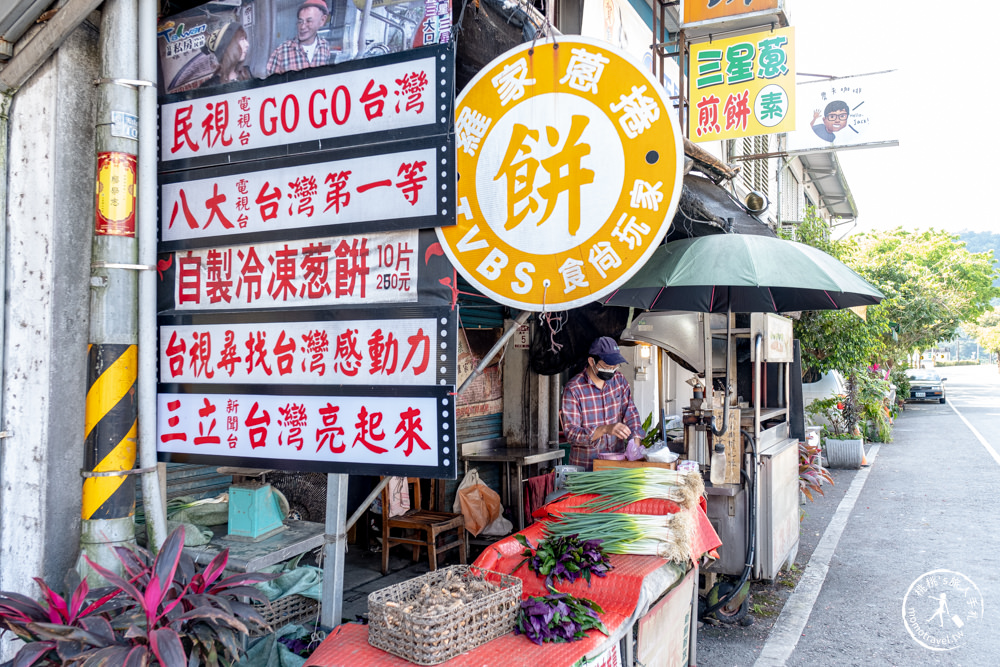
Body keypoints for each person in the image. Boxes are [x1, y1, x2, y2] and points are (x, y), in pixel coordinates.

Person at [560, 336, 644, 471]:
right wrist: (604, 429)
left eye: (614, 366)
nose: (611, 370)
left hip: (616, 467)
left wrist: (635, 442)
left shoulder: (619, 381)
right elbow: (571, 434)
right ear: (591, 361)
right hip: (586, 469)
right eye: (606, 366)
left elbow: (631, 413)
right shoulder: (574, 389)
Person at [266, 0, 332, 76]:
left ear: (322, 21)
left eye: (309, 21)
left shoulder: (325, 46)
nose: (303, 27)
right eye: (300, 21)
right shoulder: (281, 52)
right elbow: (269, 85)